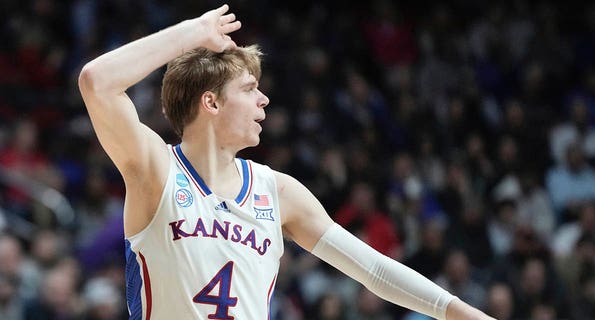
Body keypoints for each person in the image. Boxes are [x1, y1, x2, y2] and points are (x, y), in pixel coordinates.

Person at [78, 4, 493, 319]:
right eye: (250, 88)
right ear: (211, 102)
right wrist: (192, 33)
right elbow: (97, 82)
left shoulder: (278, 192)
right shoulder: (157, 172)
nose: (264, 100)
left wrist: (461, 313)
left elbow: (374, 271)